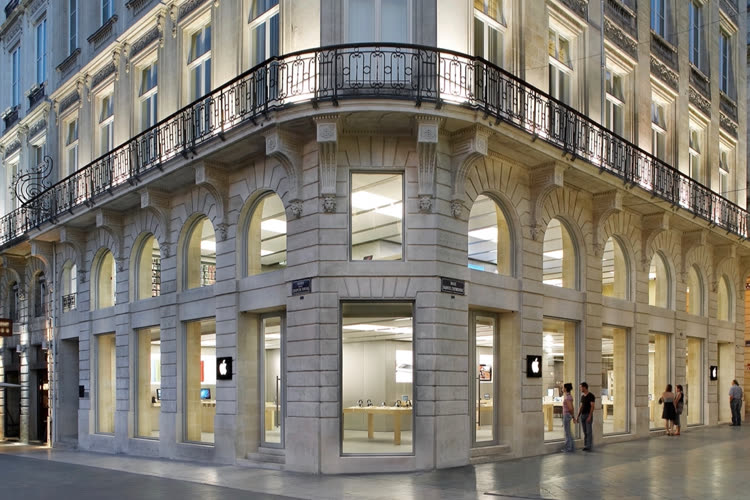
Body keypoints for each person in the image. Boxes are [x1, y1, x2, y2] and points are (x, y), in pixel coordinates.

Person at [576, 381, 595, 451]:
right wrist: (578, 416)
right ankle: (586, 445)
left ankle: (589, 446)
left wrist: (590, 416)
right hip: (582, 416)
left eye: (581, 387)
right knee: (585, 431)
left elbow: (592, 407)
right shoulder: (582, 397)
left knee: (589, 431)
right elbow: (581, 407)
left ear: (584, 387)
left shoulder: (591, 396)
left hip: (588, 415)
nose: (580, 389)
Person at [561, 382, 575, 452]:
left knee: (567, 432)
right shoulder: (569, 396)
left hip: (566, 415)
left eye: (563, 387)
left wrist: (573, 416)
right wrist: (573, 416)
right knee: (568, 432)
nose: (562, 388)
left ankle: (568, 448)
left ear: (565, 388)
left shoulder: (567, 397)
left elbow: (570, 408)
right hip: (567, 415)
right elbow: (572, 408)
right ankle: (570, 447)